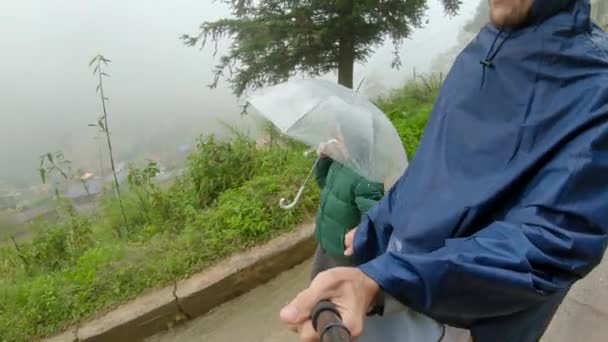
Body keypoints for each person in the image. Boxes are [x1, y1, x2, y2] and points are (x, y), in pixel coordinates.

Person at [280, 1, 608, 341]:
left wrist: (389, 278)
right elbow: (429, 170)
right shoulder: (480, 50)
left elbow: (552, 241)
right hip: (398, 294)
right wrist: (374, 227)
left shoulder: (597, 88)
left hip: (469, 322)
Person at [309, 136, 384, 280]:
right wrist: (324, 160)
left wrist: (359, 232)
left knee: (337, 288)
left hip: (343, 251)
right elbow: (325, 183)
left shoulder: (365, 177)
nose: (333, 141)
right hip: (326, 241)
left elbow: (374, 214)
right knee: (317, 281)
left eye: (339, 138)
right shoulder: (339, 162)